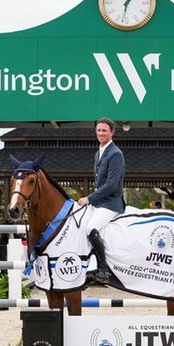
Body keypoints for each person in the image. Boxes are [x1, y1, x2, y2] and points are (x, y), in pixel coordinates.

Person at [77, 118, 125, 285]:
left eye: (104, 130)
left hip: (111, 203)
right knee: (81, 224)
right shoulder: (98, 153)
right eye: (98, 130)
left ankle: (103, 270)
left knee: (91, 227)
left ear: (112, 132)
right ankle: (89, 267)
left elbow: (111, 185)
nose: (101, 133)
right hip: (100, 202)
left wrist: (89, 199)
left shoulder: (116, 154)